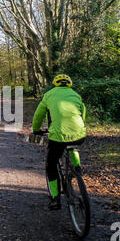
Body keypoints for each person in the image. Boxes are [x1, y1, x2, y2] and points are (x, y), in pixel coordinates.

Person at [32, 74, 86, 210]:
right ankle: (77, 168)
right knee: (73, 146)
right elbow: (82, 113)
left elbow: (39, 115)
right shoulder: (76, 95)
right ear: (69, 84)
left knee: (51, 165)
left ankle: (55, 198)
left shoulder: (49, 95)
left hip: (58, 136)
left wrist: (36, 129)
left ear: (55, 84)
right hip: (79, 133)